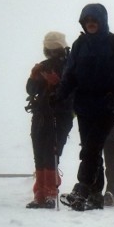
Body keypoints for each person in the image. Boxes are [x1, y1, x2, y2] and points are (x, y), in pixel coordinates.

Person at [55, 3, 114, 211]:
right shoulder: (79, 44)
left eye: (95, 20)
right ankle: (95, 195)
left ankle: (82, 187)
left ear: (102, 22)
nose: (91, 24)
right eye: (87, 21)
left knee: (91, 147)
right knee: (91, 149)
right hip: (83, 106)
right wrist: (60, 95)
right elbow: (70, 75)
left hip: (107, 106)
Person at [24, 31, 74, 209]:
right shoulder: (44, 66)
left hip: (60, 115)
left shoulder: (70, 66)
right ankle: (40, 194)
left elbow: (72, 92)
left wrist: (57, 83)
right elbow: (31, 90)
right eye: (50, 49)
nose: (52, 53)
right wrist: (34, 77)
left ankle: (50, 193)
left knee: (51, 152)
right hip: (41, 114)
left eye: (55, 49)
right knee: (39, 153)